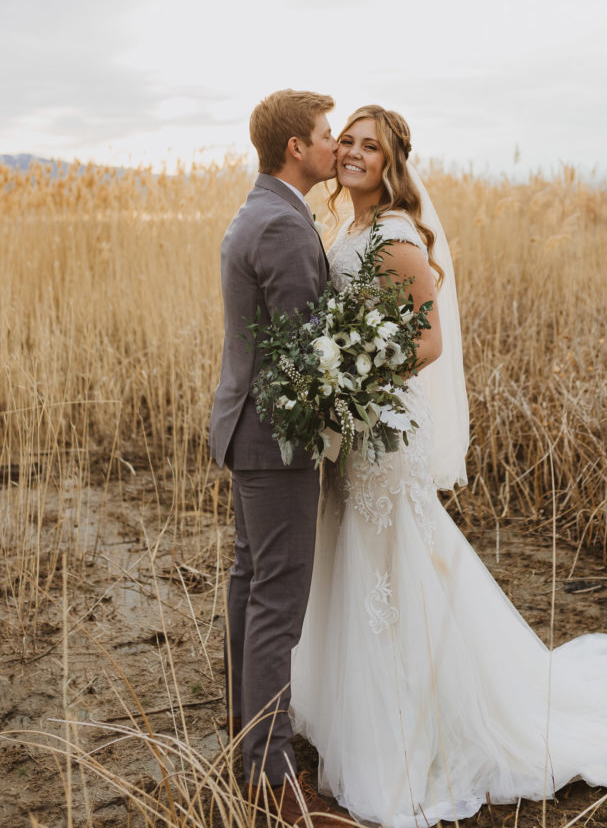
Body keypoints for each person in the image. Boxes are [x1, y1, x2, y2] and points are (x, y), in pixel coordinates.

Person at [291, 104, 607, 827]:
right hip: (356, 427)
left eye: (367, 146)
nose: (350, 152)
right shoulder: (346, 226)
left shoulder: (395, 237)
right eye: (344, 140)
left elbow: (429, 342)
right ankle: (358, 712)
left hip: (383, 424)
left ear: (390, 162)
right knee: (356, 559)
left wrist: (350, 375)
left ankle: (410, 733)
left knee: (392, 566)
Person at [209, 89, 348, 826]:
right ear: (296, 146)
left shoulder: (260, 210)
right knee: (276, 599)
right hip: (276, 438)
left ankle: (248, 740)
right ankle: (270, 779)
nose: (334, 148)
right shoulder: (283, 227)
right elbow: (304, 355)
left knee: (250, 584)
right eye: (327, 135)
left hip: (248, 428)